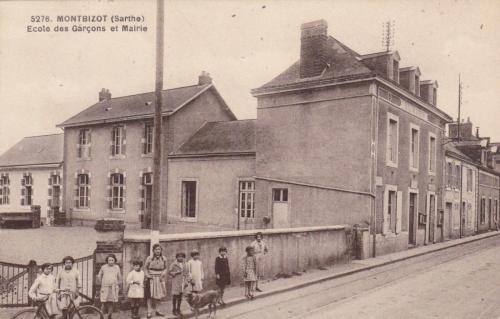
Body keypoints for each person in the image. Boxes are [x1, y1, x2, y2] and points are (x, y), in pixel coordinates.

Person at [144, 243, 168, 318]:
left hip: (160, 279)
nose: (158, 251)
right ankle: (149, 311)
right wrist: (148, 275)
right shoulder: (149, 258)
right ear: (153, 250)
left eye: (159, 249)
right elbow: (145, 268)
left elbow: (166, 268)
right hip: (151, 278)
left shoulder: (164, 258)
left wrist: (163, 273)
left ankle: (158, 310)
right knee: (149, 296)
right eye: (156, 249)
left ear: (161, 250)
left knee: (159, 296)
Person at [98, 254, 122, 319]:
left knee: (111, 302)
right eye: (109, 260)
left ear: (114, 260)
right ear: (107, 261)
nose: (111, 261)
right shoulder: (103, 267)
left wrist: (118, 284)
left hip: (113, 287)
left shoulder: (117, 267)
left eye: (112, 260)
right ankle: (101, 316)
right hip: (105, 287)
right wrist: (102, 283)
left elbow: (119, 277)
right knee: (103, 302)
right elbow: (99, 276)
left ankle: (109, 316)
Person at [168, 252, 187, 316]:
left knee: (180, 296)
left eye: (182, 257)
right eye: (179, 257)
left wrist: (186, 281)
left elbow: (186, 273)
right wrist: (176, 272)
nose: (180, 258)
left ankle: (178, 309)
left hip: (182, 282)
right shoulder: (174, 264)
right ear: (176, 257)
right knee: (175, 296)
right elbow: (169, 272)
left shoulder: (185, 264)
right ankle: (174, 309)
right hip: (176, 282)